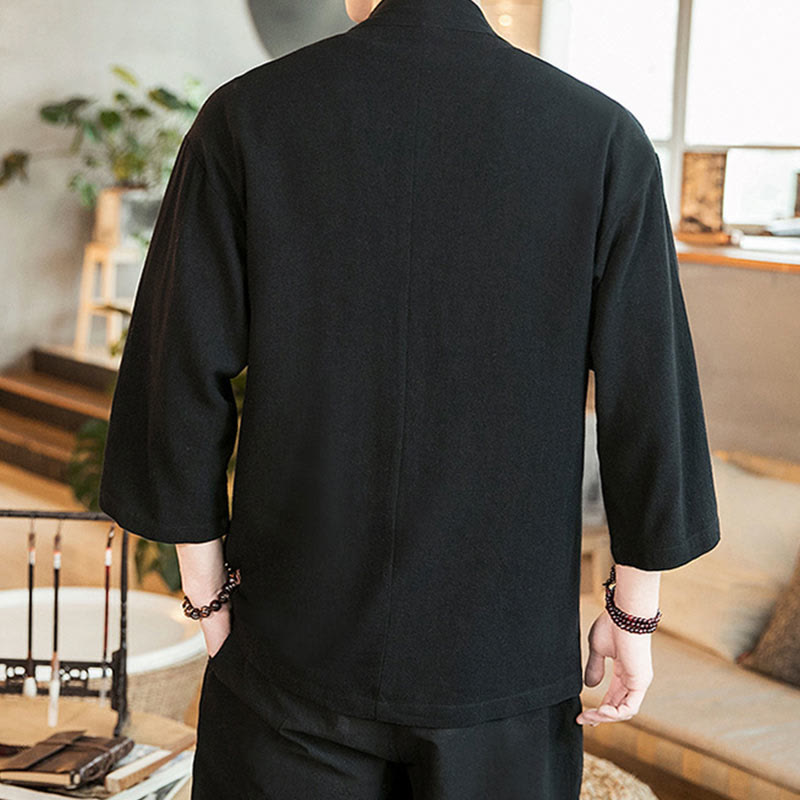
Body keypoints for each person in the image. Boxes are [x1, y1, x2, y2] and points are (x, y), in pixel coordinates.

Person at [97, 0, 721, 796]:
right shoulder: (601, 137)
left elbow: (177, 363)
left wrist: (203, 588)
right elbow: (650, 394)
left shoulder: (246, 117)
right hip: (502, 658)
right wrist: (633, 615)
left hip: (292, 642)